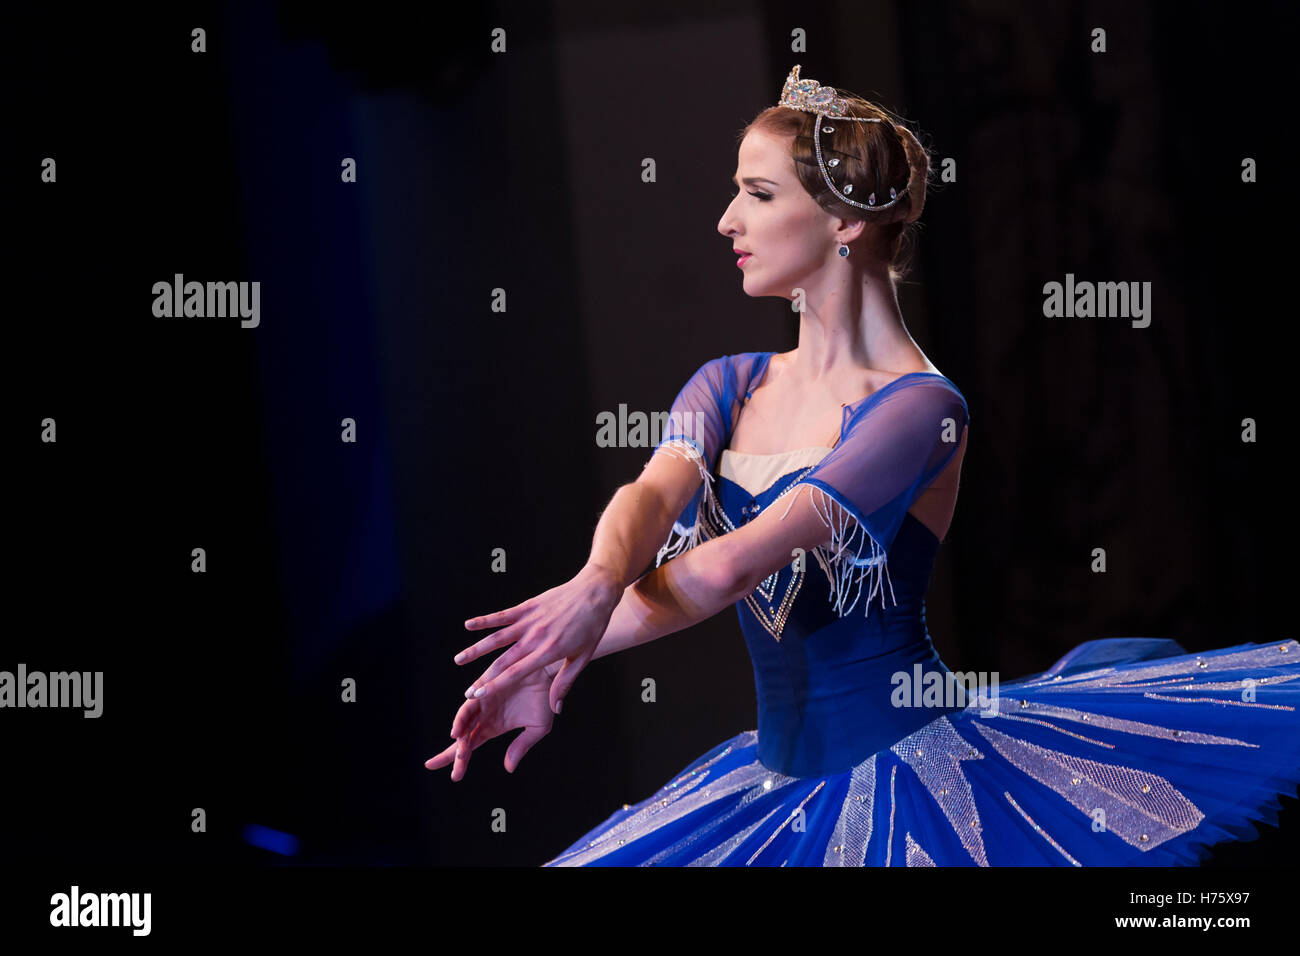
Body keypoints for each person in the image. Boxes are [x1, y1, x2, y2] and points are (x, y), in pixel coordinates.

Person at [425, 65, 1300, 866]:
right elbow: (650, 495)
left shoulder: (922, 409)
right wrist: (575, 612)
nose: (727, 219)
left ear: (845, 221)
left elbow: (735, 561)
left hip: (916, 784)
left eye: (756, 193)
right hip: (773, 788)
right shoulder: (726, 384)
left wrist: (574, 633)